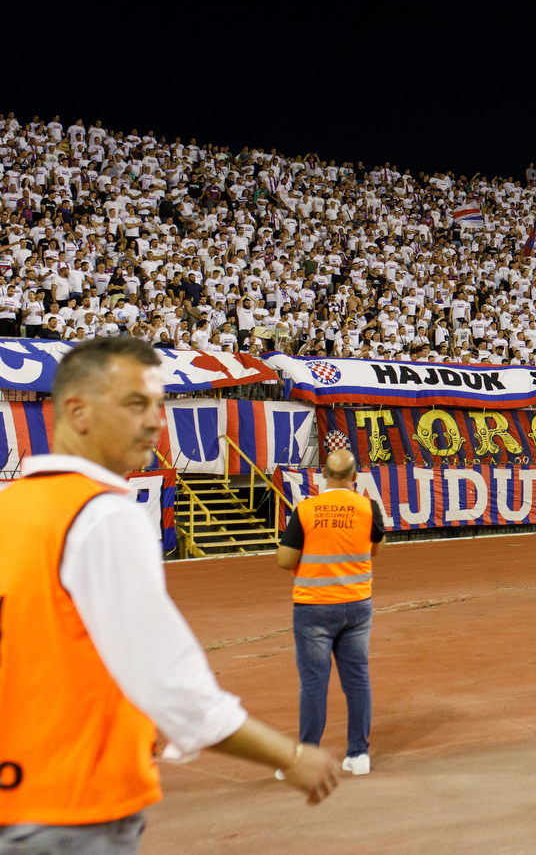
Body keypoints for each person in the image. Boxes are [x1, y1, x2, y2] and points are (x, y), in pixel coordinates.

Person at [0, 337, 338, 853]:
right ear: (77, 411)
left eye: (159, 404)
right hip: (72, 808)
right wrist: (289, 756)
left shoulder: (12, 507)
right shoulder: (102, 515)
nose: (157, 422)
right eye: (136, 404)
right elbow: (172, 686)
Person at [276, 448, 386, 776]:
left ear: (323, 473)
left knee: (313, 684)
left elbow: (284, 560)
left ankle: (307, 756)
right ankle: (358, 754)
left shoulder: (306, 510)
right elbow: (375, 548)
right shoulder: (369, 508)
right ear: (355, 476)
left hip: (313, 608)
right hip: (357, 606)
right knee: (357, 680)